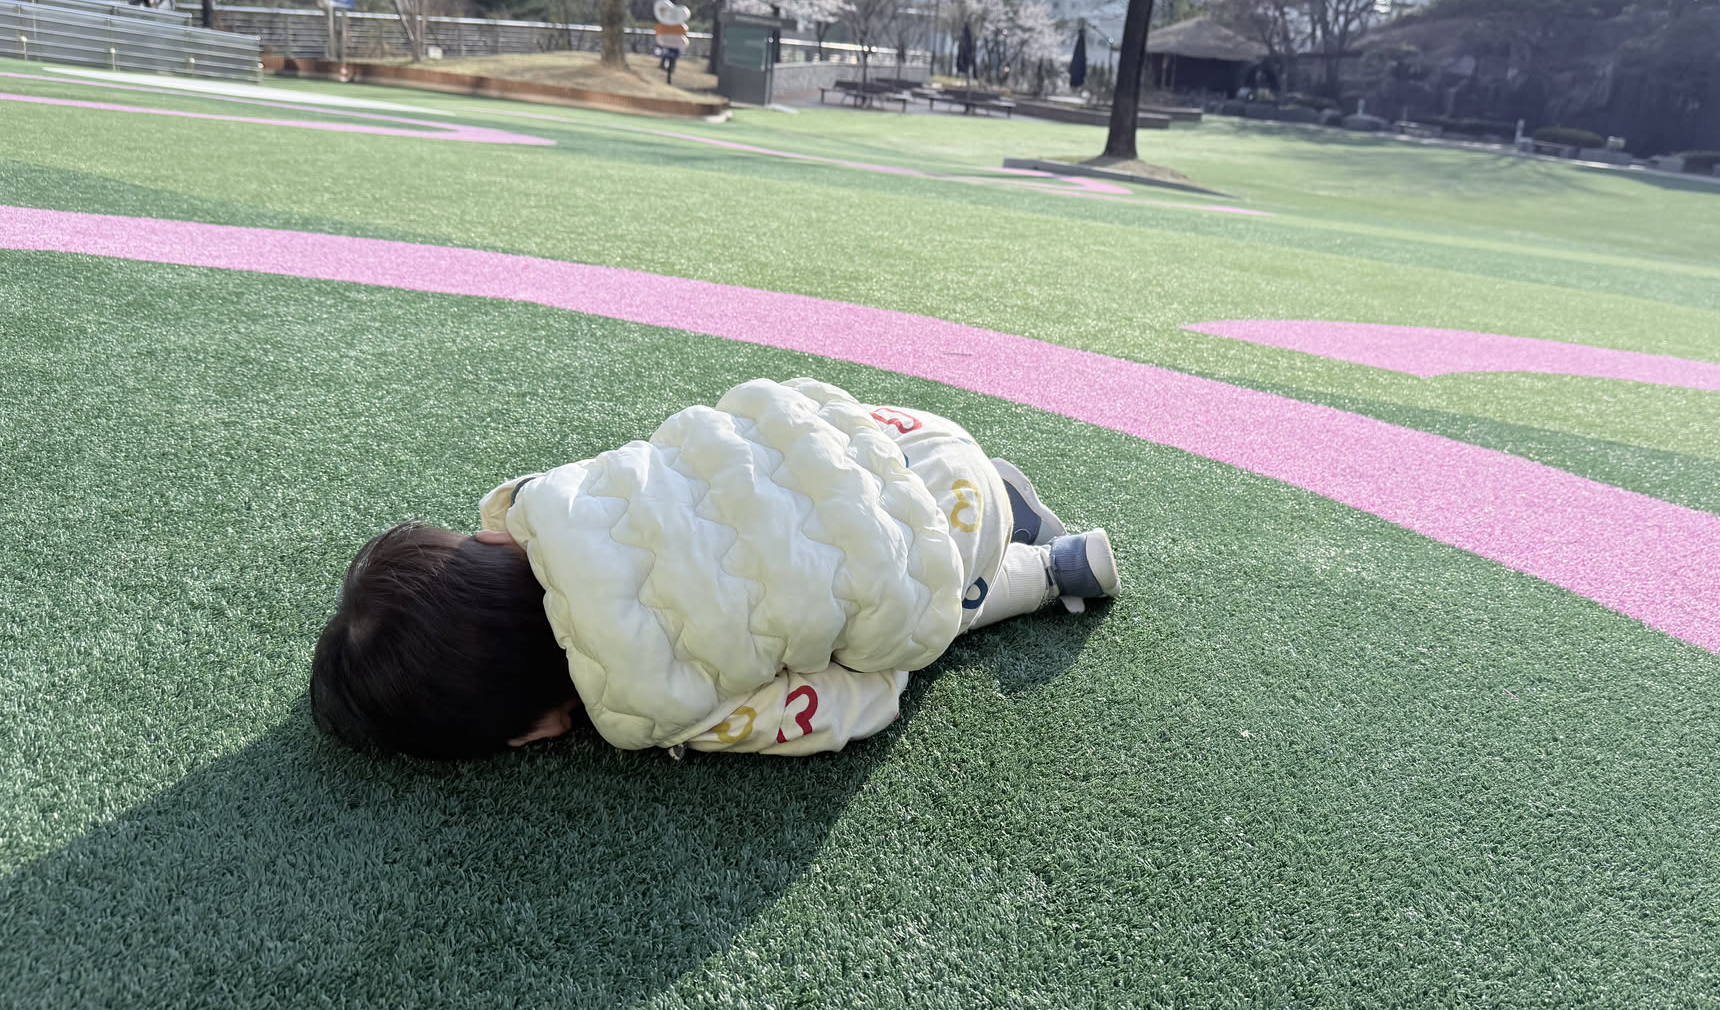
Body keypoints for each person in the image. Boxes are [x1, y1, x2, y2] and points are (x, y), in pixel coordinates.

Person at [309, 377, 1120, 761]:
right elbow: (514, 506)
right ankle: (992, 488)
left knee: (917, 617)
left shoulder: (662, 708)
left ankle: (1049, 568)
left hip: (957, 530)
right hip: (897, 429)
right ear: (488, 545)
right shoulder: (552, 498)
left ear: (537, 727)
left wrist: (877, 668)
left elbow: (838, 710)